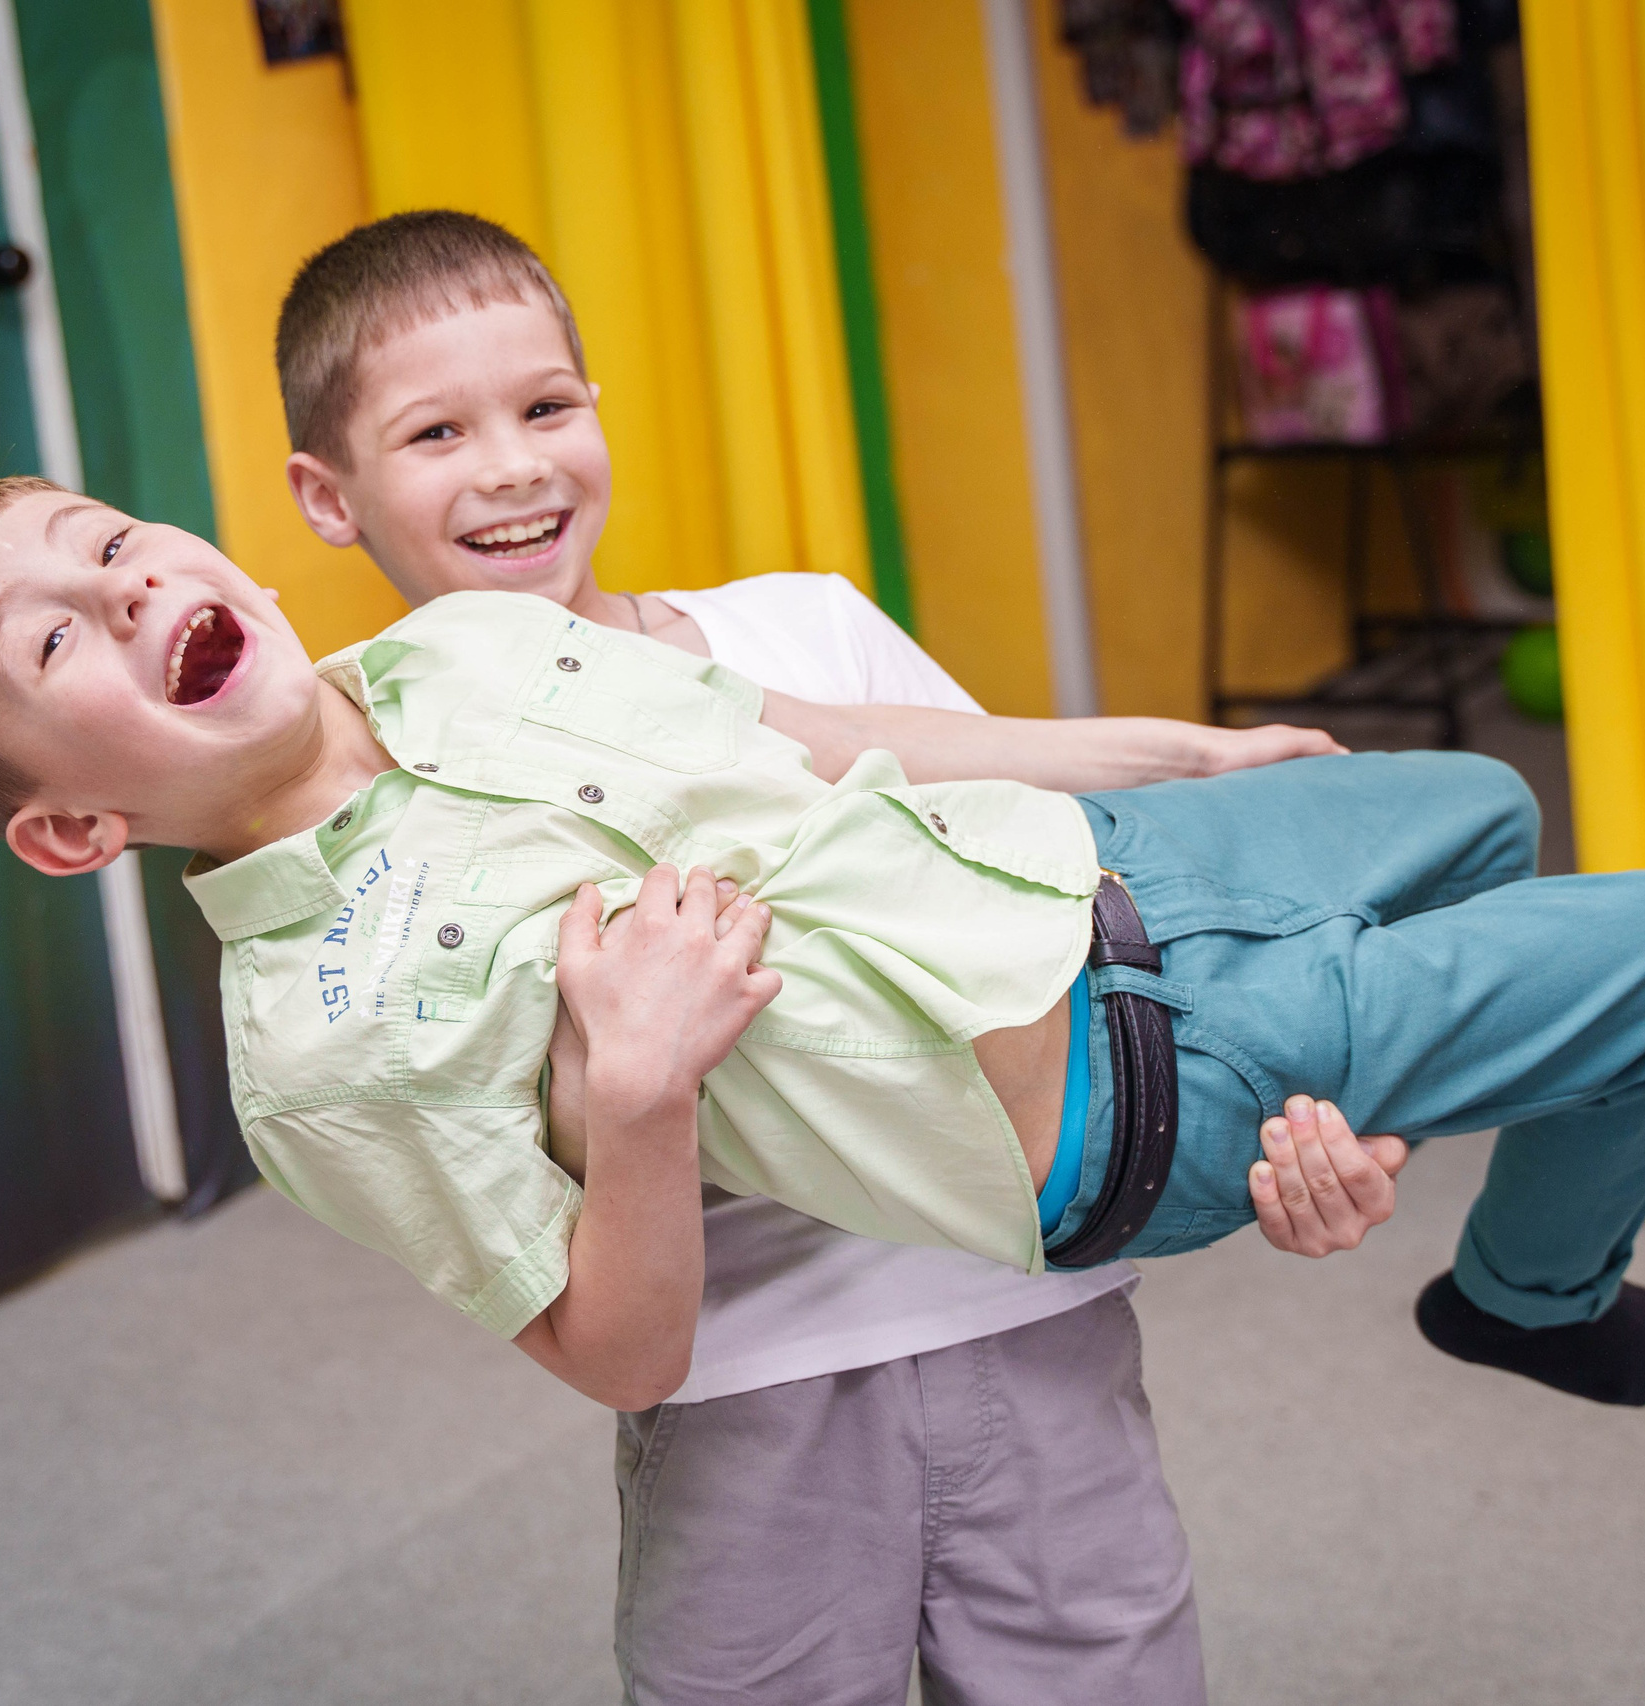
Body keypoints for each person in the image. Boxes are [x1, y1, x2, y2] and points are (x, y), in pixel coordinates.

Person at [268, 212, 1403, 1703]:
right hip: (751, 1389)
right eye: (436, 432)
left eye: (547, 406)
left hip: (1035, 1306)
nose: (513, 465)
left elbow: (1063, 929)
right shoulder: (410, 825)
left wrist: (1288, 1138)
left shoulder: (804, 631)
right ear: (327, 495)